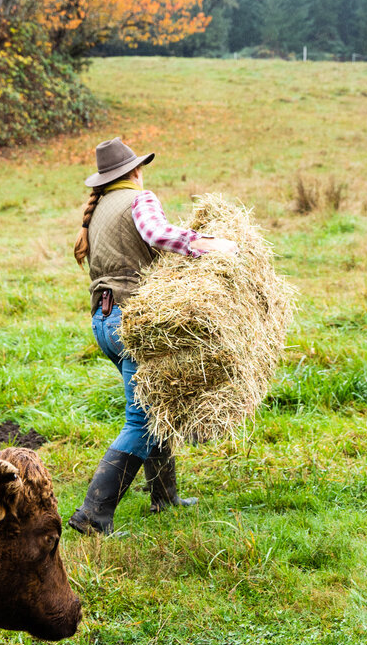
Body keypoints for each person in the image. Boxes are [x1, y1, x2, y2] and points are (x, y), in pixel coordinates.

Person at [68, 137, 239, 536]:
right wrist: (211, 246)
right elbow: (159, 234)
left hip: (103, 322)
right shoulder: (138, 198)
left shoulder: (96, 212)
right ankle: (93, 515)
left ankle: (165, 497)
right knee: (143, 419)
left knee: (155, 403)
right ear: (134, 170)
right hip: (131, 323)